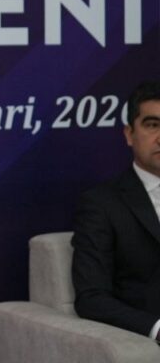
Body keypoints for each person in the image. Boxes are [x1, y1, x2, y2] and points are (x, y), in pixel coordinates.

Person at [72, 79, 160, 341]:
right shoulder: (101, 204)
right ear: (129, 134)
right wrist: (157, 328)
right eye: (152, 125)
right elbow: (91, 298)